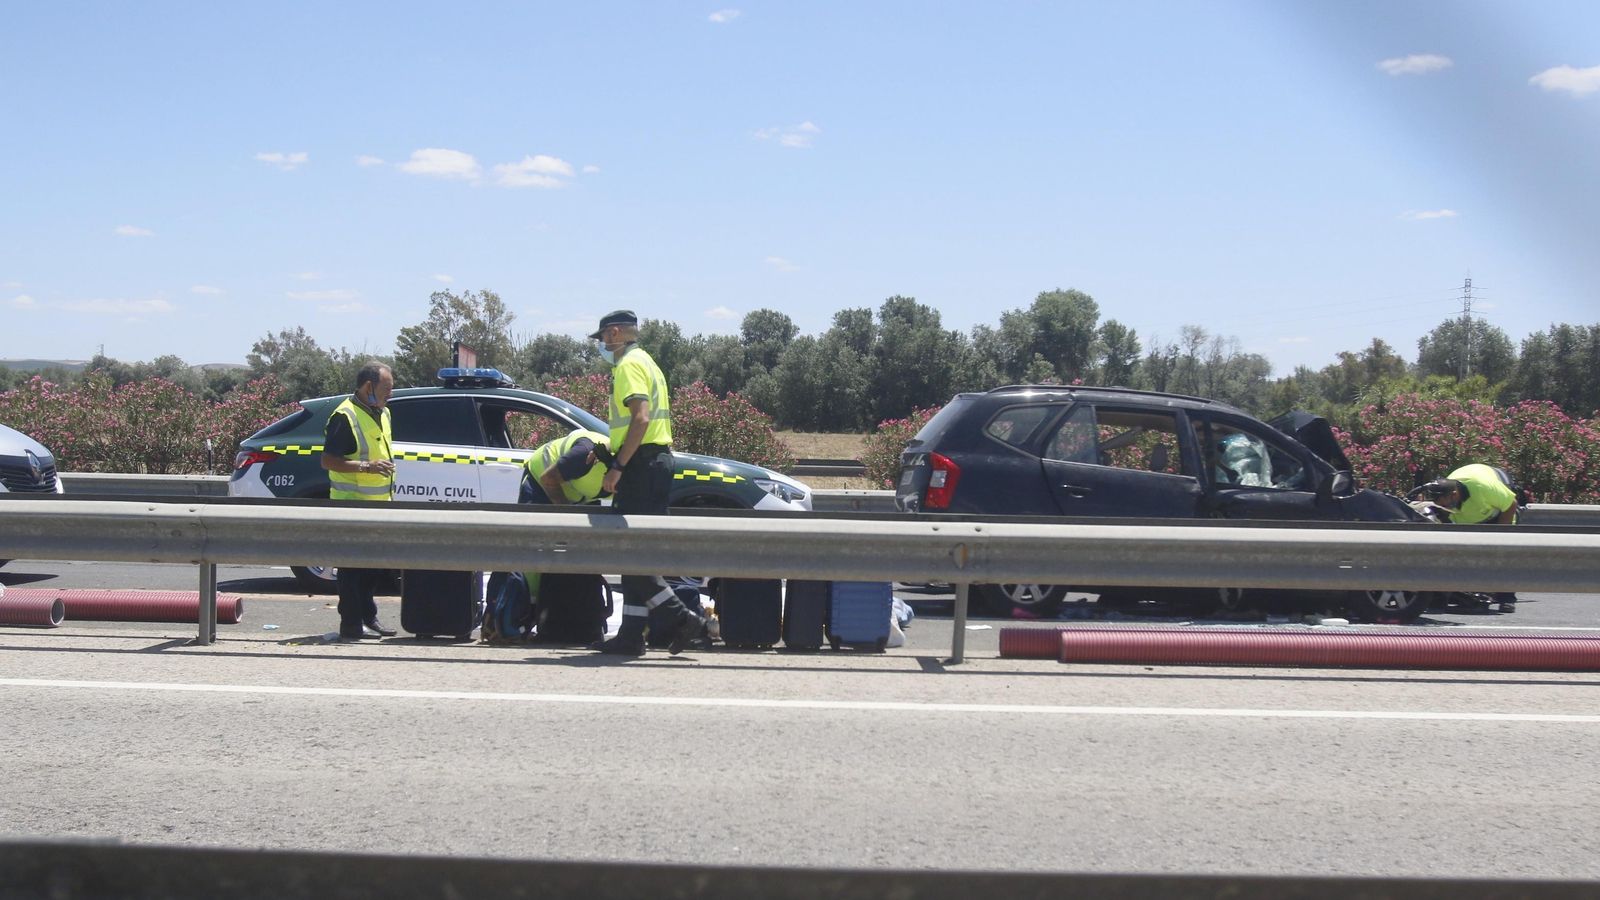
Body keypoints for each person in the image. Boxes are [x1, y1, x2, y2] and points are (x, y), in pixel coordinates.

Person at [586, 309, 708, 655]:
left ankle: (682, 618)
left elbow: (639, 419)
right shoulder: (648, 362)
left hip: (640, 465)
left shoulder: (627, 366)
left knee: (630, 553)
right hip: (656, 461)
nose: (602, 345)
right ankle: (630, 634)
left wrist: (618, 466)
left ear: (613, 333)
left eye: (603, 338)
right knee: (638, 553)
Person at [320, 361, 397, 640]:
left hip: (378, 506)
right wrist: (367, 467)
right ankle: (351, 624)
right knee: (352, 570)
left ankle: (368, 617)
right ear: (369, 387)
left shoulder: (383, 413)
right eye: (386, 388)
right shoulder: (346, 415)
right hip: (351, 504)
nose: (390, 393)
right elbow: (328, 461)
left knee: (371, 569)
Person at [1419, 463, 1523, 613]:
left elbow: (1510, 504)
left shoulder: (1482, 488)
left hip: (1500, 513)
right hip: (1471, 518)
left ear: (1454, 495)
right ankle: (1443, 596)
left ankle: (1506, 599)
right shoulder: (1447, 498)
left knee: (1501, 554)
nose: (1444, 508)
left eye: (1445, 504)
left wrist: (1500, 534)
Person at [520, 428, 614, 506]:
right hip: (540, 481)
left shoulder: (624, 482)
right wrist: (568, 516)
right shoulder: (585, 455)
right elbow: (548, 480)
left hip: (580, 495)